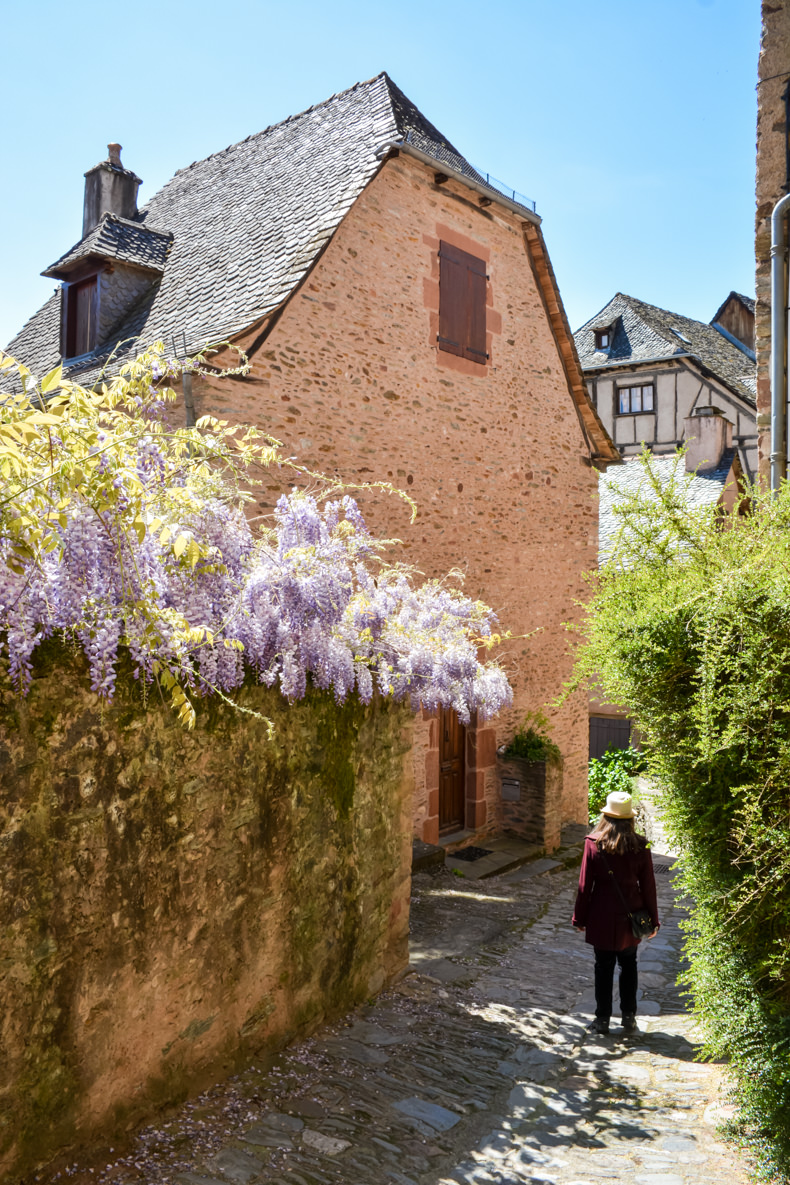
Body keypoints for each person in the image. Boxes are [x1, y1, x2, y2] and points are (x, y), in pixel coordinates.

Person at [572, 790, 659, 1035]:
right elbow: (649, 886)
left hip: (601, 915)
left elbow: (584, 885)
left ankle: (602, 1020)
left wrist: (580, 917)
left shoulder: (593, 844)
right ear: (630, 819)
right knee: (629, 964)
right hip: (630, 915)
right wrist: (653, 920)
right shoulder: (640, 846)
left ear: (606, 817)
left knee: (603, 966)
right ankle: (629, 1017)